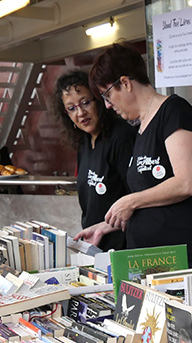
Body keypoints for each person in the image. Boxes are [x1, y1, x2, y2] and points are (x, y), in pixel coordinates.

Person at [83, 43, 192, 272]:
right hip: (150, 258)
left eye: (107, 95)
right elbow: (153, 196)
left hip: (185, 258)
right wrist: (106, 225)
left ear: (125, 83)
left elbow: (187, 183)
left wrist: (130, 201)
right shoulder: (141, 126)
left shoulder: (175, 112)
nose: (107, 106)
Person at [53, 69, 135, 252]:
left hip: (124, 246)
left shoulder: (121, 137)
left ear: (100, 101)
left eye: (85, 102)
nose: (81, 113)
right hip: (96, 244)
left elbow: (138, 199)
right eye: (72, 108)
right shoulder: (84, 142)